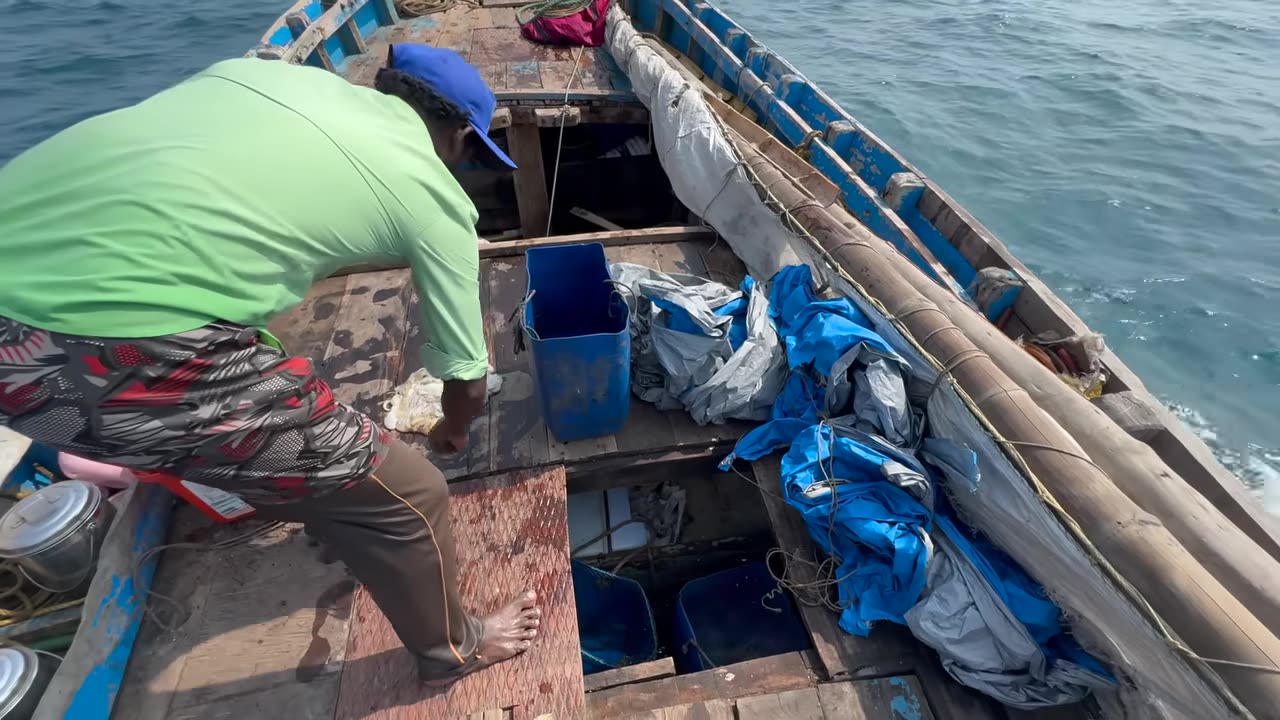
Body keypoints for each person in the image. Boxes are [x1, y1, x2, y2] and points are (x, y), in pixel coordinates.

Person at [0, 45, 538, 683]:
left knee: (291, 416)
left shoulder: (246, 74)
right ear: (457, 137)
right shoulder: (433, 193)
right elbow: (467, 381)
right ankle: (456, 650)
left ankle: (302, 488)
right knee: (413, 493)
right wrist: (450, 430)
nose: (463, 165)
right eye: (473, 153)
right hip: (88, 360)